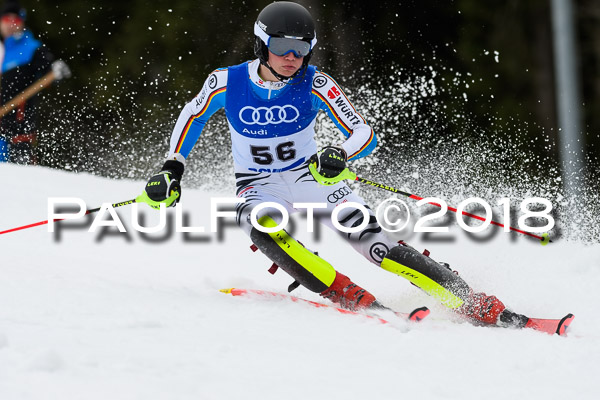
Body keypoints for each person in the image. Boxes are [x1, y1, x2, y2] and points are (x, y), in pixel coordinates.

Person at [138, 1, 530, 329]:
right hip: (259, 186)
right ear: (261, 45)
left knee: (382, 249)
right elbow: (193, 117)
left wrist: (340, 154)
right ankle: (346, 292)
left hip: (317, 182)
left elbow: (363, 133)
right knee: (262, 226)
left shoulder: (316, 82)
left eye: (302, 48)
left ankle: (478, 305)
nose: (292, 57)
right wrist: (173, 166)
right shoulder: (226, 82)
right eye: (281, 46)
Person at [0, 0, 54, 164]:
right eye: (6, 20)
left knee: (19, 178)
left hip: (19, 129)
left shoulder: (32, 48)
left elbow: (50, 73)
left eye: (15, 20)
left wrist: (56, 71)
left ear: (22, 22)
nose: (10, 24)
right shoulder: (1, 49)